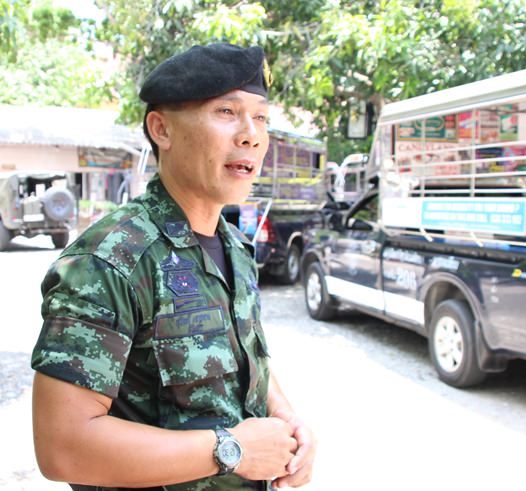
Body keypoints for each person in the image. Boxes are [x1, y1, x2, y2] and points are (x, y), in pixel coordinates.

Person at [31, 43, 316, 491]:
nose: (252, 136)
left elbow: (239, 357)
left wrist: (284, 416)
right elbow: (62, 446)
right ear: (161, 129)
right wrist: (233, 449)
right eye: (227, 112)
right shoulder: (110, 259)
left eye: (261, 118)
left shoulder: (236, 248)